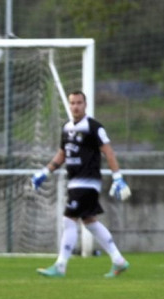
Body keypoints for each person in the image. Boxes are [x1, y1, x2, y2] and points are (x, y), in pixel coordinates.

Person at [31, 90, 131, 278]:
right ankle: (118, 260)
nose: (75, 106)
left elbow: (108, 152)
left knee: (68, 219)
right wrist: (45, 172)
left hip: (88, 182)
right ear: (69, 105)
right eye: (72, 103)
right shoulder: (66, 128)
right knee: (90, 221)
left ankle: (60, 266)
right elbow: (62, 154)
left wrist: (117, 176)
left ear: (85, 105)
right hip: (74, 182)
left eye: (79, 103)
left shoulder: (94, 127)